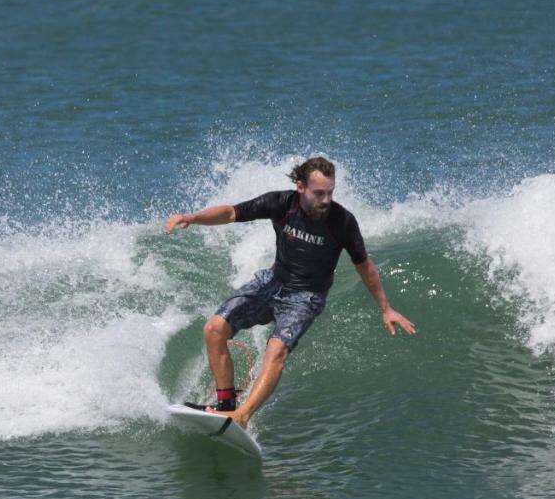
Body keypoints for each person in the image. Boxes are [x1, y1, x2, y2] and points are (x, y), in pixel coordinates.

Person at [163, 156, 415, 429]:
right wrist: (192, 218)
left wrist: (386, 308)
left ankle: (243, 417)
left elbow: (364, 266)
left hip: (306, 296)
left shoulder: (342, 222)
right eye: (319, 193)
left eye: (330, 192)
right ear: (301, 187)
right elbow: (232, 213)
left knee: (276, 350)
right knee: (214, 329)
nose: (326, 199)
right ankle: (225, 406)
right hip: (273, 280)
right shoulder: (281, 204)